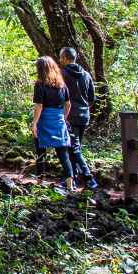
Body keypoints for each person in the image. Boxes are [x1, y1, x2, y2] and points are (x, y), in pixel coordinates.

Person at [31, 55, 80, 190]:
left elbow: (39, 106)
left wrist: (34, 123)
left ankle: (40, 182)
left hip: (44, 120)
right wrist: (63, 118)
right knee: (63, 154)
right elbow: (68, 104)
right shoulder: (62, 85)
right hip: (58, 121)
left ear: (40, 69)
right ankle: (70, 184)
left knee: (41, 152)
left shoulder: (40, 85)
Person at [59, 46, 100, 191]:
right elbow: (91, 98)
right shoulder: (86, 75)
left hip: (70, 116)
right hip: (84, 116)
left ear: (64, 58)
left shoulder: (62, 74)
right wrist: (84, 108)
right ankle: (72, 179)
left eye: (61, 57)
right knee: (73, 148)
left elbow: (59, 97)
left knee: (74, 149)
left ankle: (89, 178)